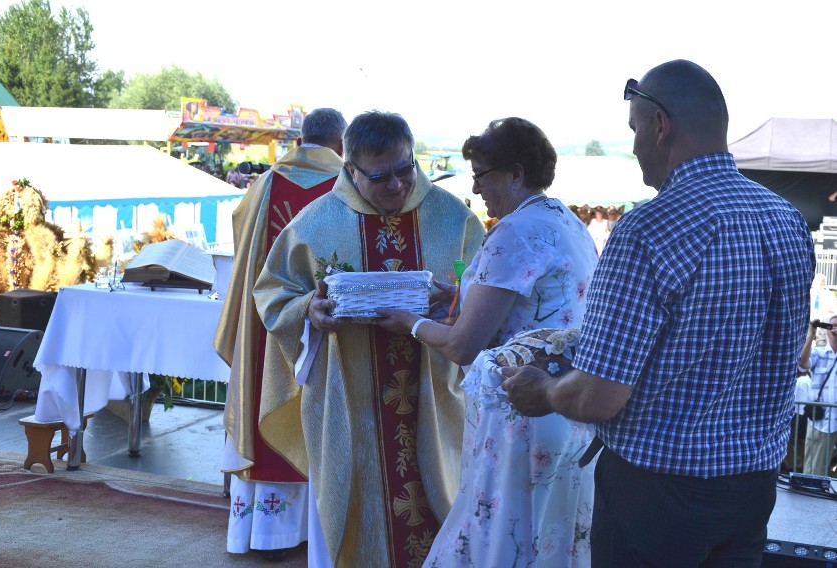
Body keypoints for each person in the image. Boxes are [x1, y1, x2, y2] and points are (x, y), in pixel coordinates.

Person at [502, 59, 816, 566]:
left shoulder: (648, 229)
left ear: (661, 126)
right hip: (752, 492)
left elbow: (599, 396)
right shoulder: (785, 219)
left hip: (658, 497)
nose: (633, 146)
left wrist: (541, 390)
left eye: (634, 129)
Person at [251, 110, 485, 567]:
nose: (397, 185)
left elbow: (483, 293)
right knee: (355, 510)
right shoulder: (313, 224)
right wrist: (309, 311)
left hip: (434, 397)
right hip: (347, 399)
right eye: (380, 177)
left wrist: (455, 300)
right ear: (350, 170)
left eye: (405, 169)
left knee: (442, 506)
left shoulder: (454, 219)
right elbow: (273, 293)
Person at [376, 117, 598, 566]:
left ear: (515, 174)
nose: (476, 189)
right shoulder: (565, 222)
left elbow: (462, 345)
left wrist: (410, 323)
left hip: (520, 411)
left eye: (481, 176)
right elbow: (525, 305)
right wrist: (454, 293)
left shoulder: (514, 232)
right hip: (566, 406)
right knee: (550, 540)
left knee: (500, 542)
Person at [213, 108, 347, 560]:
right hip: (324, 322)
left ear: (302, 139)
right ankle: (308, 534)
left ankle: (260, 534)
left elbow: (242, 238)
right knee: (315, 414)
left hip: (264, 323)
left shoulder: (265, 183)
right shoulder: (345, 187)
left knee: (261, 405)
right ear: (341, 144)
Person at [798, 316, 837, 476]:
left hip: (833, 422)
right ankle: (809, 500)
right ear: (827, 329)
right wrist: (811, 334)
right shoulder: (819, 353)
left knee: (825, 470)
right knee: (813, 471)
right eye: (833, 325)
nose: (835, 329)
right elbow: (803, 363)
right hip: (822, 422)